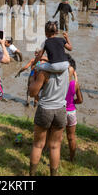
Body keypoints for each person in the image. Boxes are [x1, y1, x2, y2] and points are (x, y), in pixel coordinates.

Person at [28, 42, 69, 176]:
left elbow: (32, 93)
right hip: (61, 109)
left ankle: (32, 175)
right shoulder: (67, 70)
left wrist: (33, 77)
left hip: (46, 108)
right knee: (55, 146)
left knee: (38, 144)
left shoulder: (43, 72)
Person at [65, 58, 83, 162]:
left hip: (60, 110)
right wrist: (71, 102)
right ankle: (71, 158)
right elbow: (80, 100)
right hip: (71, 111)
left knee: (55, 136)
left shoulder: (58, 82)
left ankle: (50, 152)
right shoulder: (75, 84)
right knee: (71, 136)